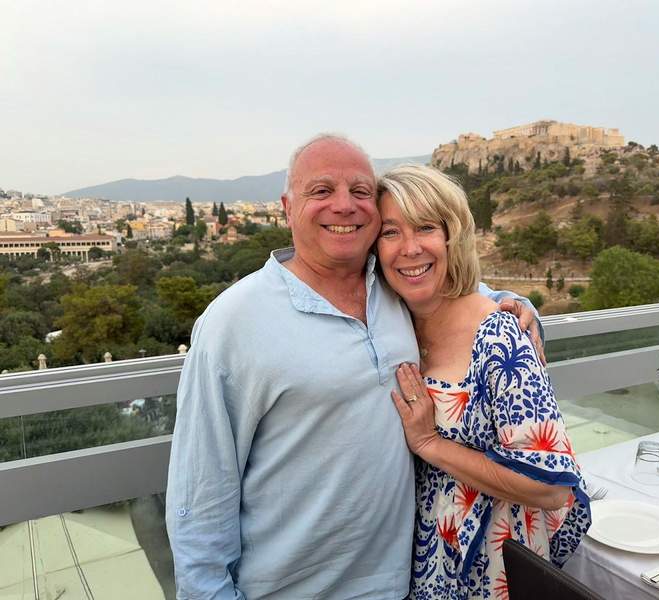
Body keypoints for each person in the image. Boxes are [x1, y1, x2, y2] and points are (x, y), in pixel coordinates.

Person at [165, 134, 544, 599]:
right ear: (287, 208)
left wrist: (519, 305)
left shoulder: (393, 286)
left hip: (404, 584)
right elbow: (201, 493)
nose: (344, 206)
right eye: (321, 191)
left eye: (360, 192)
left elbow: (465, 295)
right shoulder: (233, 321)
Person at [376, 164, 591, 599]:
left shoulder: (498, 335)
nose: (410, 248)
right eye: (390, 231)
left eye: (426, 228)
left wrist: (430, 444)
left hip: (488, 570)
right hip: (419, 563)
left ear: (453, 236)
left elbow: (549, 488)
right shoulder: (391, 321)